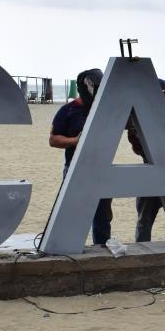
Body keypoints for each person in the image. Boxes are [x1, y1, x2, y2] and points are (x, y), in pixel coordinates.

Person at [49, 68, 112, 246]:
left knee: (103, 215)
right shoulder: (67, 111)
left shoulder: (103, 110)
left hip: (102, 168)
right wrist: (75, 141)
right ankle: (68, 246)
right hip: (74, 168)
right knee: (72, 210)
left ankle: (101, 247)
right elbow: (53, 140)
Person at [126, 79, 165, 242]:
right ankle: (142, 251)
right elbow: (135, 145)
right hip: (150, 172)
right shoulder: (137, 115)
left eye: (158, 93)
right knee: (144, 220)